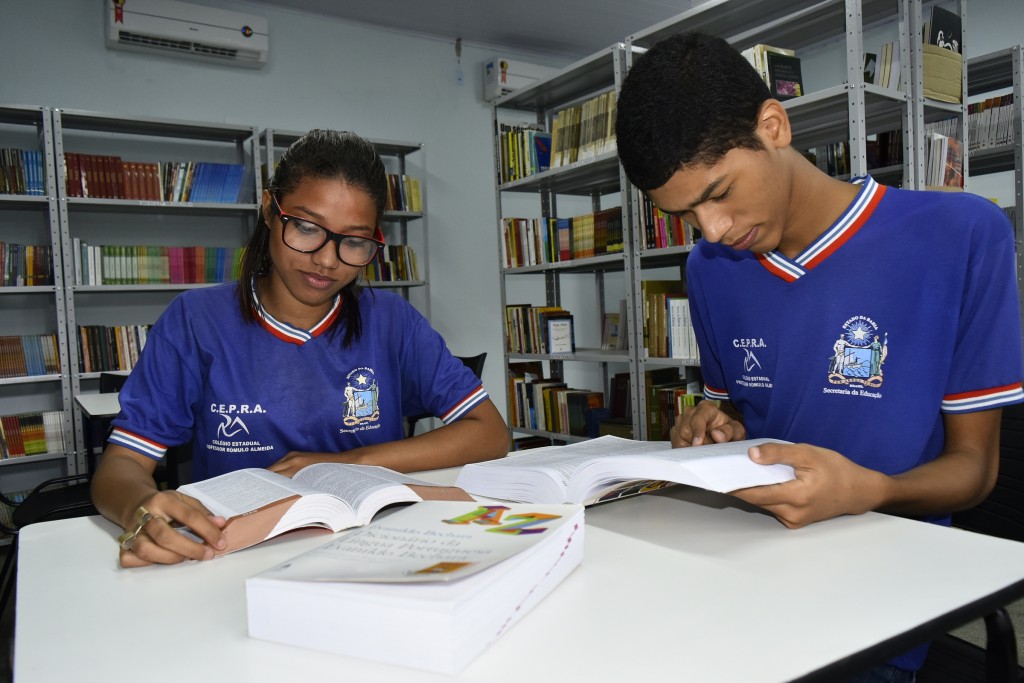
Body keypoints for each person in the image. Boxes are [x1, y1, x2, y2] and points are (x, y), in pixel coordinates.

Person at [615, 32, 1023, 680]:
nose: (712, 231)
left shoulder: (964, 236)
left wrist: (869, 490)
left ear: (773, 125)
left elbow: (974, 469)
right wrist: (709, 425)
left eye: (718, 192)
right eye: (687, 215)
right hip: (744, 568)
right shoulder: (710, 269)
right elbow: (734, 420)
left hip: (882, 589)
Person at [91, 129, 510, 568]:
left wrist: (347, 463)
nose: (327, 260)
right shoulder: (195, 321)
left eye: (354, 240)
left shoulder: (393, 321)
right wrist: (139, 508)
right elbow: (121, 464)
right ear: (271, 212)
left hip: (379, 548)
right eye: (308, 228)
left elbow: (490, 432)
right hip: (235, 555)